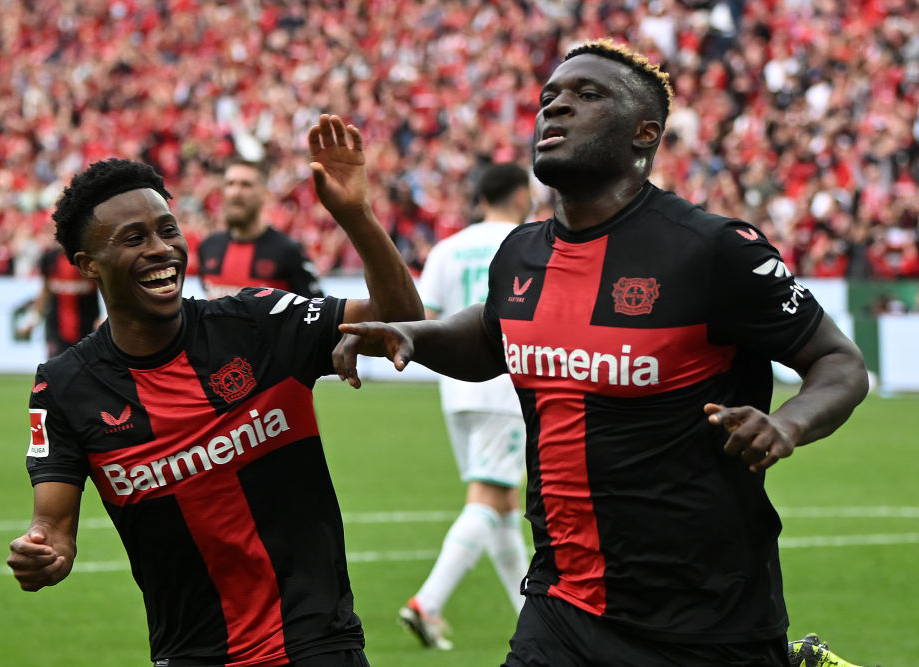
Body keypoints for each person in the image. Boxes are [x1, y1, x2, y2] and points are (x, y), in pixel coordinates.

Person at [334, 41, 873, 667]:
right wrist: (416, 335)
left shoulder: (713, 249)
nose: (555, 107)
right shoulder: (521, 253)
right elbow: (490, 337)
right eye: (549, 98)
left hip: (707, 614)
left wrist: (788, 423)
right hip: (561, 603)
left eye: (587, 95)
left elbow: (840, 363)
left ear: (645, 133)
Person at [6, 114, 424, 667]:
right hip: (191, 655)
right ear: (89, 266)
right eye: (134, 239)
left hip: (316, 645)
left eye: (168, 230)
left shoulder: (256, 322)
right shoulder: (63, 387)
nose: (161, 249)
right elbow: (53, 529)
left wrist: (356, 214)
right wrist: (43, 553)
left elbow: (402, 319)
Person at [398, 163, 532, 651]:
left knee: (503, 503)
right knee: (488, 497)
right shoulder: (532, 242)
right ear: (521, 196)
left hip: (457, 392)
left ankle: (528, 614)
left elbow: (426, 321)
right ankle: (427, 602)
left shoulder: (448, 249)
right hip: (508, 389)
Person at [198, 158, 324, 299]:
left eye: (246, 185)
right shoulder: (208, 247)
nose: (235, 192)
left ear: (265, 195)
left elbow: (317, 307)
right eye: (230, 184)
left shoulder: (289, 251)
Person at [17, 241, 102, 358]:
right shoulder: (49, 259)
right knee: (57, 367)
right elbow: (45, 291)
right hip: (56, 329)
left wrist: (104, 316)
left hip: (88, 328)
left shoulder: (89, 260)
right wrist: (33, 319)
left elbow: (104, 288)